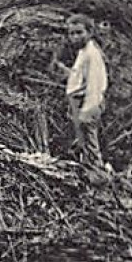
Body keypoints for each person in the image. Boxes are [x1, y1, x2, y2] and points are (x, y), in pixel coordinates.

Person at [52, 13, 108, 169]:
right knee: (82, 141)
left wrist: (87, 110)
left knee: (90, 143)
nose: (75, 37)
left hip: (87, 104)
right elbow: (81, 77)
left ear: (89, 33)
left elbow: (95, 83)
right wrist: (68, 73)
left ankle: (97, 174)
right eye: (72, 33)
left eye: (79, 32)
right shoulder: (83, 52)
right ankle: (87, 169)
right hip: (78, 102)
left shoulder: (92, 54)